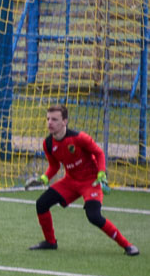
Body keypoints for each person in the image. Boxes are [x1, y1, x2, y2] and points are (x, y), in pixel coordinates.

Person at [25, 105, 139, 256]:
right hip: (70, 181)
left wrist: (101, 173)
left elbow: (99, 153)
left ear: (64, 121)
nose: (49, 123)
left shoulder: (79, 138)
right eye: (48, 119)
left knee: (94, 216)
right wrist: (45, 177)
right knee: (41, 204)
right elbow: (54, 165)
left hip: (90, 182)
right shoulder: (48, 144)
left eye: (54, 119)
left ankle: (128, 245)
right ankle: (50, 242)